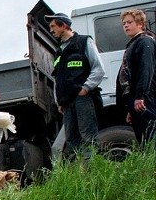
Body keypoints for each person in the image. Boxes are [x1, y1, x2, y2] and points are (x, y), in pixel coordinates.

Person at [46, 12, 105, 159]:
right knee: (71, 139)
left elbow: (98, 69)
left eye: (53, 26)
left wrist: (85, 89)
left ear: (64, 25)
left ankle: (92, 172)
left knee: (88, 137)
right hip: (67, 103)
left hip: (83, 99)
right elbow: (57, 79)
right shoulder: (59, 52)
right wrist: (59, 100)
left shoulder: (84, 42)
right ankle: (80, 175)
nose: (51, 30)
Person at [116, 9, 156, 144]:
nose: (126, 25)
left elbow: (146, 70)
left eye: (129, 22)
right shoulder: (134, 43)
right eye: (124, 23)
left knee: (150, 137)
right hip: (137, 99)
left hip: (147, 97)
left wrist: (141, 96)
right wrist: (130, 109)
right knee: (143, 139)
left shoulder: (145, 42)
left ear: (140, 24)